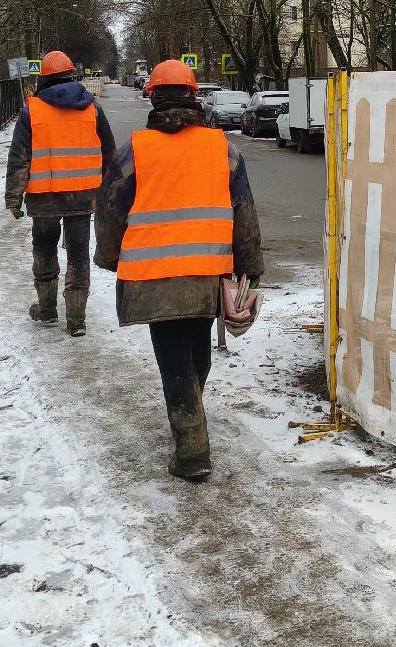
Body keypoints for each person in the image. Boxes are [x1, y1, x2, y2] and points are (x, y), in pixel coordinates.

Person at [94, 59, 263, 481]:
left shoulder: (135, 150)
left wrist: (110, 257)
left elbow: (110, 208)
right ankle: (190, 420)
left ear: (152, 95)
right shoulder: (222, 149)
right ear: (195, 97)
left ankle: (191, 452)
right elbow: (244, 210)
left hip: (155, 277)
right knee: (196, 351)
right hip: (207, 274)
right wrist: (250, 267)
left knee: (174, 359)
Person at [5, 50, 115, 336]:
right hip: (82, 197)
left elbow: (19, 157)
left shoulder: (32, 111)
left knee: (44, 250)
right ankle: (76, 321)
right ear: (71, 75)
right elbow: (109, 152)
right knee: (78, 255)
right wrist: (107, 192)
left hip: (44, 199)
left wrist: (14, 197)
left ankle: (46, 310)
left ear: (43, 78)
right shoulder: (92, 108)